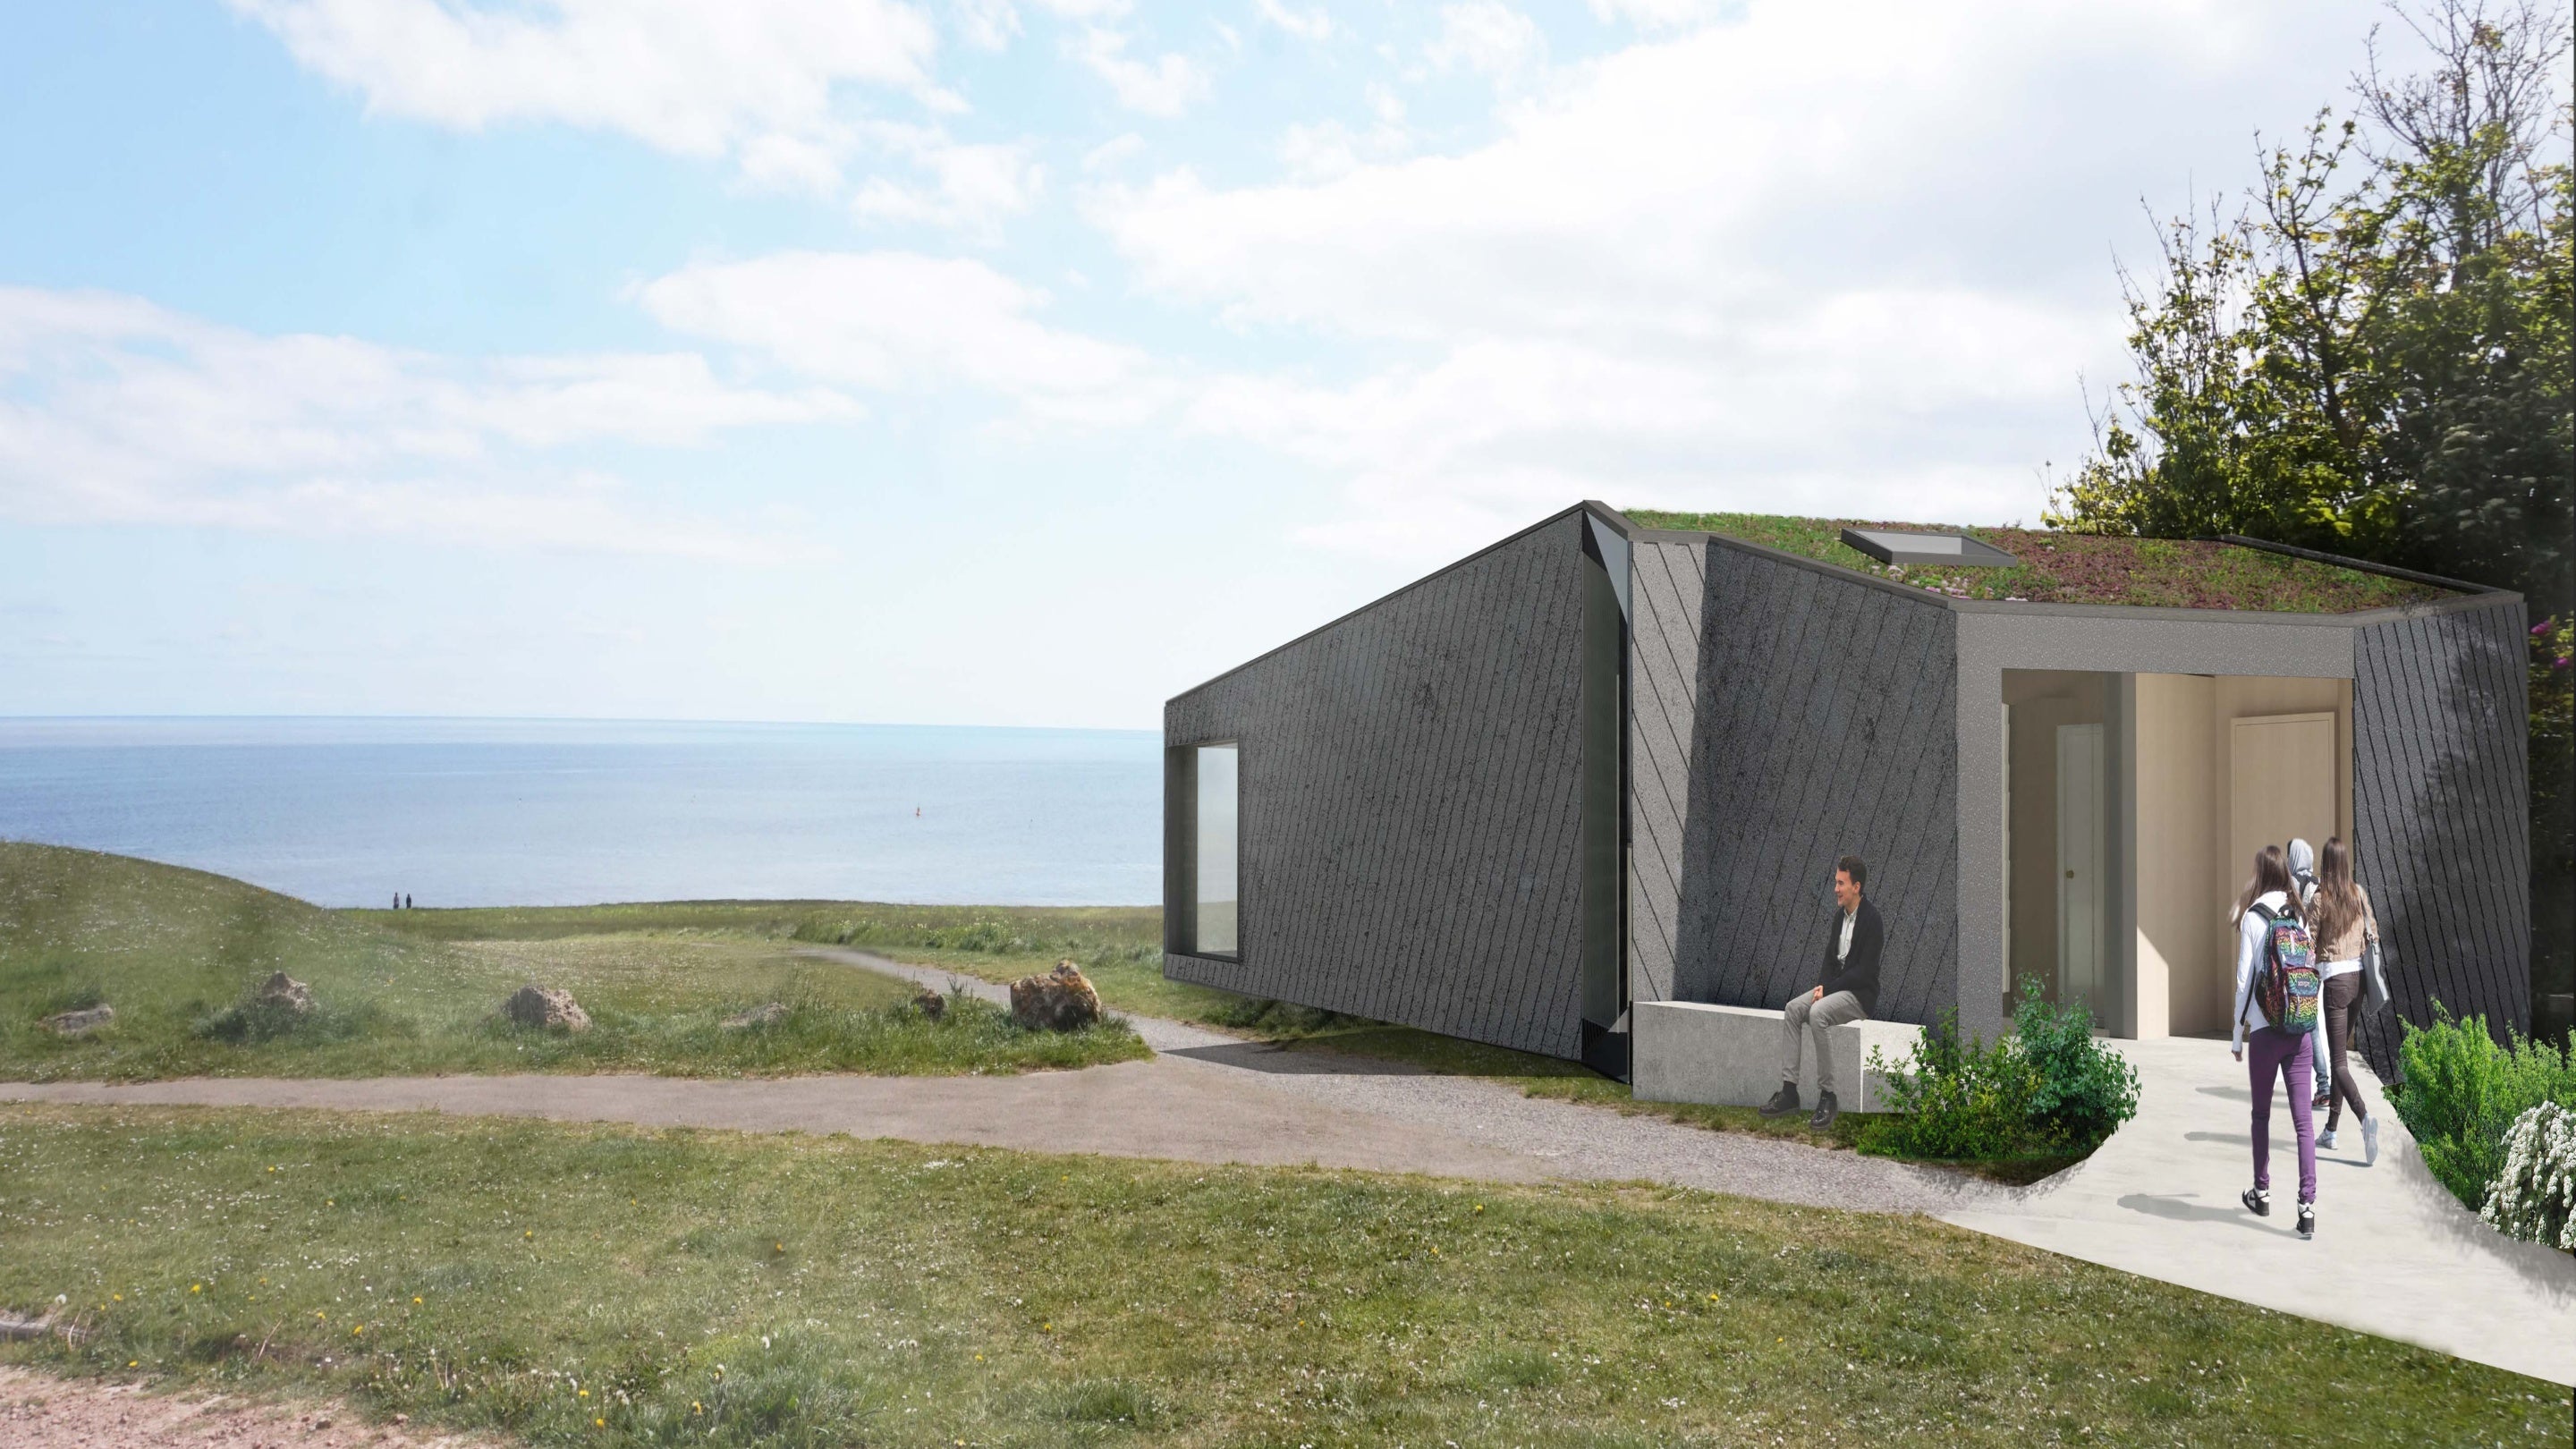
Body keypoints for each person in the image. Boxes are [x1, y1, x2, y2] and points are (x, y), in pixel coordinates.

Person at [2233, 843, 2318, 1239]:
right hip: (2299, 1031)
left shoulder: (2253, 917)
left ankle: (2262, 1192)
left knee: (2261, 1116)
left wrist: (2238, 1034)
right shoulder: (2298, 913)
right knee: (2303, 1123)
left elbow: (2244, 982)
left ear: (2261, 873)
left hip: (2265, 1031)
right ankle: (2307, 1208)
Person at [1759, 855, 1881, 1131]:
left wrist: (1828, 990)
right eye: (1835, 882)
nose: (1836, 889)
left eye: (1841, 883)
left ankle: (1828, 1097)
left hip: (1859, 996)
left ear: (1857, 887)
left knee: (1817, 1014)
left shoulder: (1873, 920)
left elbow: (1864, 972)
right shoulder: (1840, 916)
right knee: (1793, 1009)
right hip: (1834, 989)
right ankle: (1789, 1092)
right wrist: (1822, 986)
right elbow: (1829, 959)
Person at [2306, 837, 2382, 1165]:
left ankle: (2365, 1119)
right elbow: (2373, 932)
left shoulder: (2321, 898)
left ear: (2326, 863)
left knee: (2338, 1063)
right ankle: (2331, 1131)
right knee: (2342, 1061)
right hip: (2359, 981)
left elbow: (2308, 940)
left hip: (2335, 983)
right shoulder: (2358, 893)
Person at [2286, 838, 2330, 1100]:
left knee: (2304, 1022)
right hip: (2315, 965)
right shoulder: (2316, 884)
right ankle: (2314, 1083)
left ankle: (2323, 1083)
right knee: (2305, 1020)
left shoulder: (2289, 884)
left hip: (2294, 962)